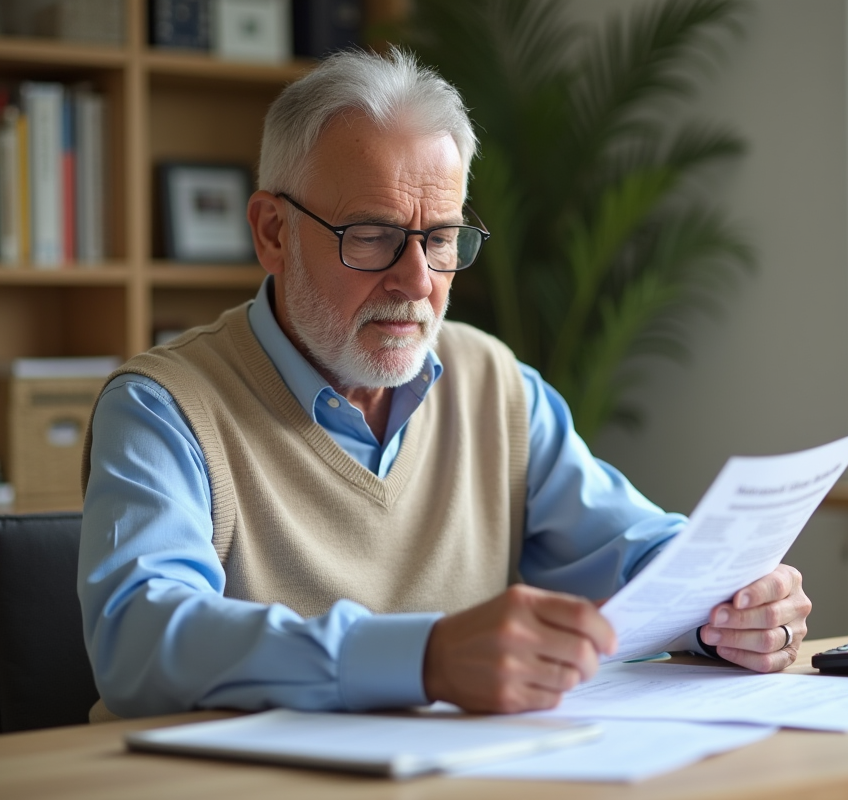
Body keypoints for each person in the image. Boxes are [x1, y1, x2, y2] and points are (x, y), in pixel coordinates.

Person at [78, 48, 811, 719]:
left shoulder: (495, 385)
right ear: (273, 232)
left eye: (439, 238)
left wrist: (733, 604)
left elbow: (639, 554)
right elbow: (142, 635)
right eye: (370, 235)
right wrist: (422, 659)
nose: (418, 281)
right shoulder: (163, 407)